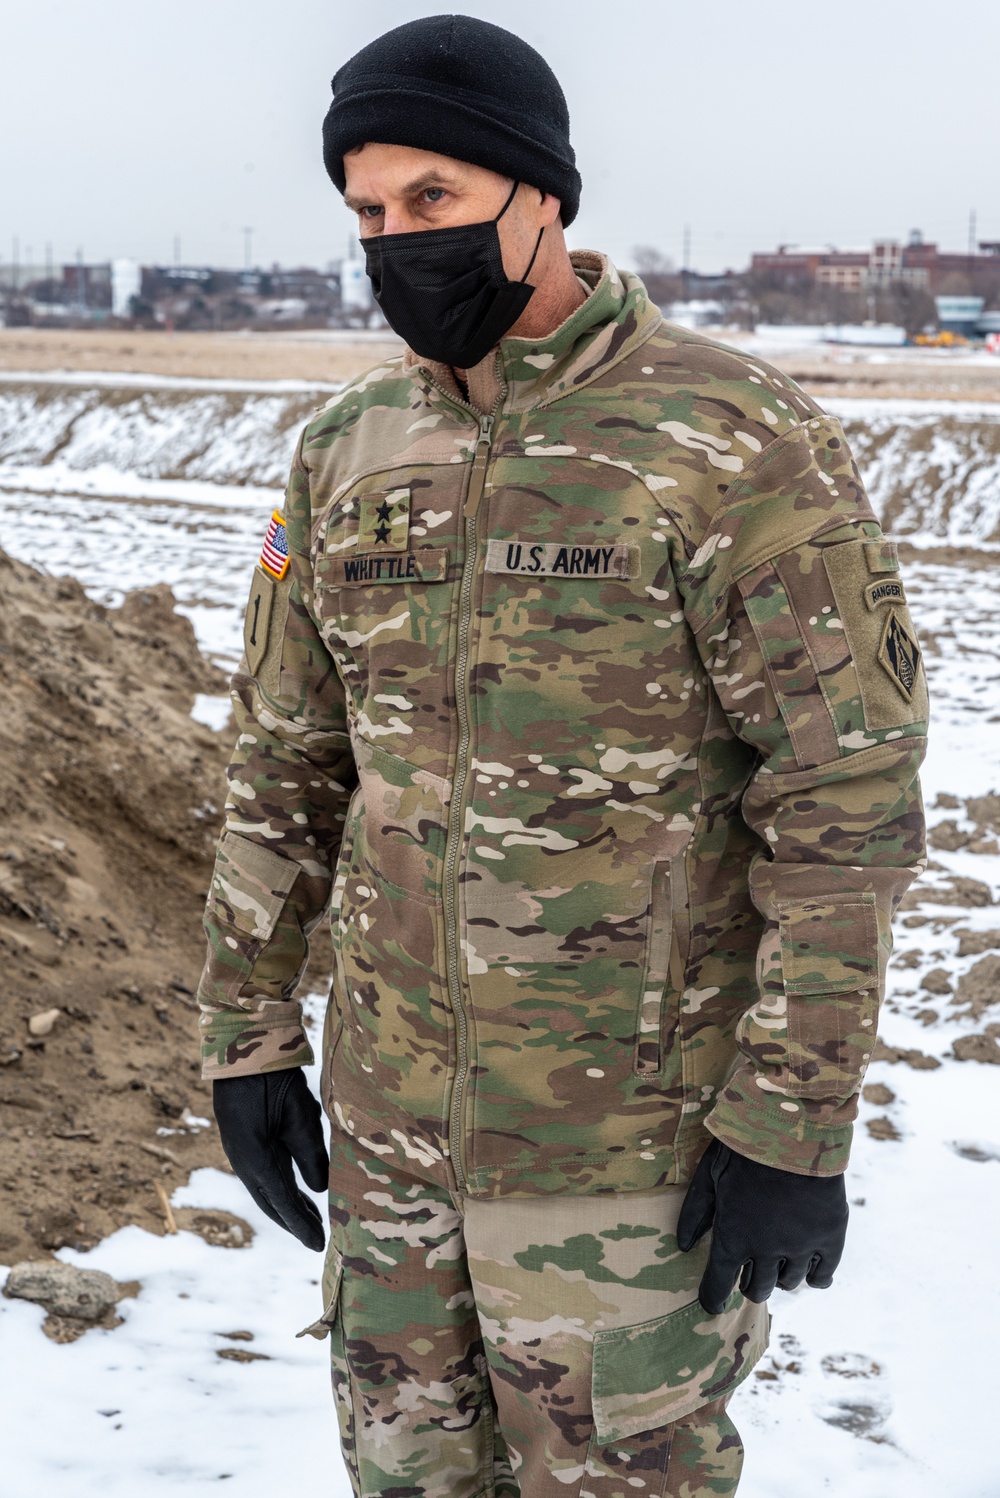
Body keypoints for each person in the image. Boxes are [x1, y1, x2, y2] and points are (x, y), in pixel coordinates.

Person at [198, 15, 928, 1496]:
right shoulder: (346, 452)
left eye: (432, 201)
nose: (396, 244)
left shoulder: (729, 438)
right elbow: (284, 759)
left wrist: (797, 1114)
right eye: (367, 214)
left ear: (541, 194)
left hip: (631, 1157)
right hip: (394, 1142)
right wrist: (249, 1035)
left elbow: (842, 799)